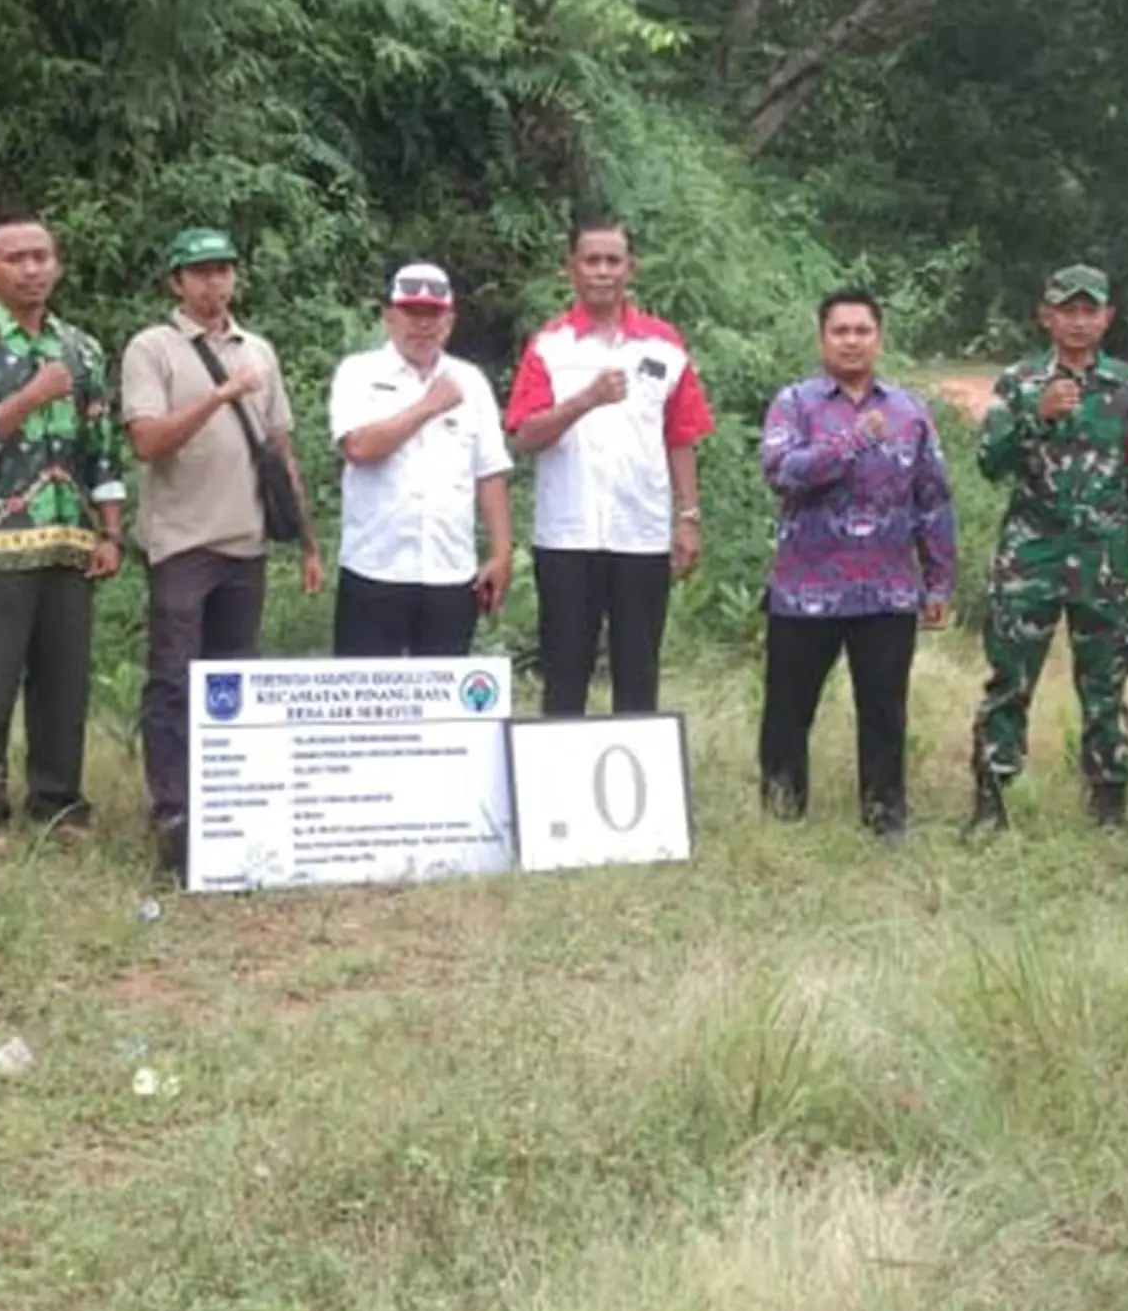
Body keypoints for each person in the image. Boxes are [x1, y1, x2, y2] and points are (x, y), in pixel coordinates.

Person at [120, 226, 322, 874]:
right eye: (199, 271)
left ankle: (229, 805)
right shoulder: (153, 348)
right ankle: (172, 812)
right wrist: (219, 395)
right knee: (174, 680)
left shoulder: (257, 348)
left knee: (233, 680)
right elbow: (148, 442)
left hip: (247, 541)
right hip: (182, 541)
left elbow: (280, 448)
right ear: (176, 282)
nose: (213, 282)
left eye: (222, 270)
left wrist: (308, 541)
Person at [0, 211, 124, 844]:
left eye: (42, 256)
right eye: (16, 258)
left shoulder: (82, 348)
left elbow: (102, 449)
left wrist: (112, 532)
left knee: (63, 681)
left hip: (70, 539)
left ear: (58, 265)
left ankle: (58, 803)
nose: (33, 268)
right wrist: (30, 398)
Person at [968, 263, 1128, 835]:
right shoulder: (1019, 381)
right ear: (1046, 316)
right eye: (1068, 310)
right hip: (1030, 556)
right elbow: (990, 463)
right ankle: (994, 799)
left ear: (1107, 318)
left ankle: (1109, 801)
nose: (1079, 322)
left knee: (1106, 683)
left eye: (1091, 311)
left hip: (1104, 560)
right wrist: (1038, 415)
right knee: (1010, 680)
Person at [757, 289, 956, 840]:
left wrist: (938, 580)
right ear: (822, 339)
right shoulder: (794, 404)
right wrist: (848, 442)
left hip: (887, 590)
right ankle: (781, 809)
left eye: (862, 331)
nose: (851, 341)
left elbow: (933, 499)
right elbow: (781, 472)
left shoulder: (909, 410)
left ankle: (884, 814)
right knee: (788, 709)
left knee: (884, 709)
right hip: (805, 589)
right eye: (840, 331)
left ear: (879, 338)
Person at [502, 212, 716, 715]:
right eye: (591, 260)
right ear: (571, 269)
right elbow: (523, 435)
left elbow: (681, 434)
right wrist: (585, 400)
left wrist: (688, 518)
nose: (602, 271)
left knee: (638, 674)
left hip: (639, 534)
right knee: (565, 674)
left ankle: (634, 787)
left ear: (630, 268)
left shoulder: (664, 344)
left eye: (612, 260)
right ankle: (559, 782)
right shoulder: (549, 345)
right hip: (567, 536)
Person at [327, 262, 516, 655]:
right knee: (366, 703)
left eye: (433, 315)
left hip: (449, 571)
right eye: (412, 314)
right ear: (389, 317)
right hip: (374, 569)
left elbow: (490, 473)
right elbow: (359, 448)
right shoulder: (358, 373)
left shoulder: (472, 381)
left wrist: (501, 554)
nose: (422, 326)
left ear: (449, 321)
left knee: (443, 705)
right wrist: (428, 406)